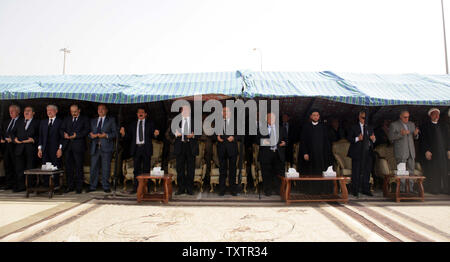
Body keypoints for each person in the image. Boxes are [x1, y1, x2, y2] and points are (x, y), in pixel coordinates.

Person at [120, 107, 159, 194]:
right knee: (136, 170)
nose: (140, 113)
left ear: (145, 114)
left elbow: (154, 134)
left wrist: (156, 134)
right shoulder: (133, 124)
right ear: (137, 114)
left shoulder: (150, 123)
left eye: (142, 112)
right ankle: (136, 188)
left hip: (146, 148)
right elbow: (128, 136)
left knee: (146, 170)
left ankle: (146, 189)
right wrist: (123, 134)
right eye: (139, 112)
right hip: (136, 148)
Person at [298, 109, 333, 194]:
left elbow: (326, 142)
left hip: (321, 155)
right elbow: (303, 141)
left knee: (320, 172)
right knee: (310, 172)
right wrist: (305, 152)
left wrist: (327, 154)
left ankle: (321, 190)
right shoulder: (306, 127)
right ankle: (310, 190)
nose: (315, 117)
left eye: (317, 115)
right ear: (310, 116)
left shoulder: (323, 127)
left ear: (319, 116)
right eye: (314, 115)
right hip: (310, 155)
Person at [88, 104, 117, 193]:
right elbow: (88, 133)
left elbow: (115, 133)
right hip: (95, 147)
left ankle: (106, 186)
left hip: (106, 147)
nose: (100, 111)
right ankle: (92, 186)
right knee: (93, 167)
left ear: (106, 110)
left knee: (106, 168)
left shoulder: (111, 120)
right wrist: (91, 135)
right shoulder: (93, 121)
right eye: (99, 109)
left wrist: (106, 135)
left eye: (102, 109)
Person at [61, 104, 90, 194]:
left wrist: (77, 135)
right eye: (72, 111)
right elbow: (61, 129)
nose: (73, 113)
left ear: (79, 110)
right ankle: (70, 186)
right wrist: (64, 134)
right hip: (68, 146)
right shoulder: (67, 119)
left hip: (78, 146)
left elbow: (87, 130)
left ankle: (79, 187)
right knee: (69, 167)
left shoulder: (84, 119)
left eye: (75, 111)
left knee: (78, 167)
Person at [388, 110, 420, 192]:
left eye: (408, 117)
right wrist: (400, 134)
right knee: (402, 171)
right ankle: (402, 190)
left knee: (411, 171)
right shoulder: (394, 125)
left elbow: (415, 137)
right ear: (400, 116)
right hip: (401, 151)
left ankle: (411, 189)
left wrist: (416, 134)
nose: (407, 119)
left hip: (411, 151)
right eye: (405, 117)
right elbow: (391, 138)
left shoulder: (411, 124)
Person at [419, 108, 449, 194]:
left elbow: (447, 139)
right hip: (432, 153)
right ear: (430, 115)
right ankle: (434, 189)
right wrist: (426, 151)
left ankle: (446, 189)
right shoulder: (425, 126)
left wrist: (448, 150)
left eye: (438, 114)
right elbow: (423, 140)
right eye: (434, 114)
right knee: (434, 171)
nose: (437, 116)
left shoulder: (444, 126)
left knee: (444, 170)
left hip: (443, 153)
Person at [347, 111, 376, 197]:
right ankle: (355, 190)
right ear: (359, 117)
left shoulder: (370, 127)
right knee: (356, 171)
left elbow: (373, 140)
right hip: (357, 152)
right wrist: (358, 138)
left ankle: (366, 189)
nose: (365, 120)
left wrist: (373, 139)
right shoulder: (354, 127)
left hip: (368, 152)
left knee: (367, 171)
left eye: (366, 118)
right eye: (363, 118)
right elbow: (349, 138)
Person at [258, 112, 287, 196]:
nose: (271, 119)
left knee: (278, 173)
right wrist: (269, 141)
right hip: (266, 154)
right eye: (269, 118)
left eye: (272, 118)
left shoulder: (281, 129)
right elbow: (257, 140)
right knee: (266, 173)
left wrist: (284, 143)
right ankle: (268, 190)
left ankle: (278, 190)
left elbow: (287, 140)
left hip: (278, 154)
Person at [172, 105, 198, 195]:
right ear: (181, 111)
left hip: (191, 147)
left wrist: (193, 135)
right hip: (180, 147)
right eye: (184, 110)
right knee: (180, 169)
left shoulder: (195, 121)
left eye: (187, 110)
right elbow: (170, 133)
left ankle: (190, 189)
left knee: (191, 169)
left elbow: (200, 133)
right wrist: (176, 134)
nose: (186, 111)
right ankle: (181, 188)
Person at [13, 106, 39, 192]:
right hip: (20, 148)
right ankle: (21, 186)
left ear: (33, 113)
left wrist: (33, 139)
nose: (26, 112)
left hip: (30, 149)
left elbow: (40, 135)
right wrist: (14, 139)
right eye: (25, 111)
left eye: (29, 111)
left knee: (30, 168)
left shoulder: (37, 122)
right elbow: (12, 133)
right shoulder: (19, 122)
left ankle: (30, 187)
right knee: (19, 168)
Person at [216, 106, 241, 196]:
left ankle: (233, 190)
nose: (225, 113)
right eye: (223, 111)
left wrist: (234, 137)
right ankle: (222, 190)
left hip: (232, 149)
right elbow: (213, 134)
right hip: (221, 149)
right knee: (222, 170)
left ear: (230, 113)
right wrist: (217, 137)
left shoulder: (236, 122)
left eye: (226, 111)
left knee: (232, 170)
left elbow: (240, 135)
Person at [38, 105, 63, 187]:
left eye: (51, 110)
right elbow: (40, 136)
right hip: (45, 149)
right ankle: (46, 184)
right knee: (45, 167)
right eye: (47, 110)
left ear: (56, 111)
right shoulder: (43, 122)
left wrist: (60, 149)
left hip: (55, 149)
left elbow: (62, 137)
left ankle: (55, 185)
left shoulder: (60, 122)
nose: (49, 112)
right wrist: (39, 149)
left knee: (55, 167)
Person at [0, 105, 21, 190]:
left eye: (13, 111)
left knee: (16, 166)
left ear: (18, 111)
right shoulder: (6, 122)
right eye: (10, 111)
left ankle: (17, 184)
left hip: (16, 147)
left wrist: (12, 139)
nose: (11, 113)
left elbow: (21, 133)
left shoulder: (21, 121)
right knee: (7, 165)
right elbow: (3, 132)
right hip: (6, 147)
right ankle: (9, 183)